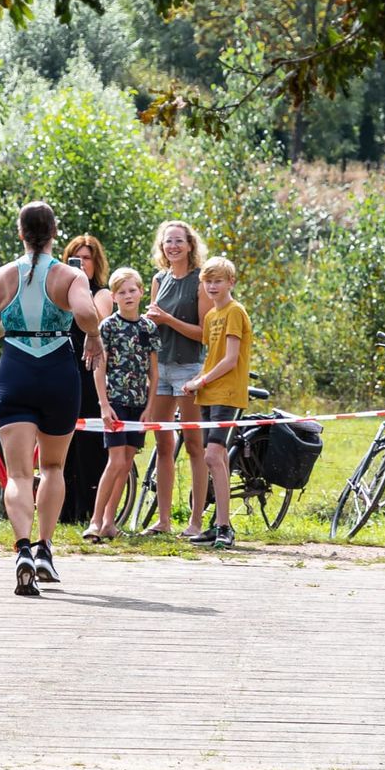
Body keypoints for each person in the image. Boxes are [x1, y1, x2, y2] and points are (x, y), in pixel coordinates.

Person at [0, 201, 105, 596]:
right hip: (57, 373)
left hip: (16, 370)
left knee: (16, 474)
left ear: (20, 233)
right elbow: (86, 314)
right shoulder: (70, 274)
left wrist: (14, 328)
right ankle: (46, 548)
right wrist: (94, 337)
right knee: (52, 467)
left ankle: (22, 548)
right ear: (54, 233)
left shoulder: (2, 276)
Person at [142, 220, 211, 536]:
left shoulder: (200, 282)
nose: (173, 246)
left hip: (188, 369)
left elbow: (204, 333)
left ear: (190, 245)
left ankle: (196, 522)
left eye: (179, 241)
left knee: (195, 445)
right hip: (162, 369)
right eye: (168, 241)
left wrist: (167, 319)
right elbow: (154, 327)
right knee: (163, 444)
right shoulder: (159, 280)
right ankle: (164, 520)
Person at [181, 256, 251, 549]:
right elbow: (211, 358)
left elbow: (230, 359)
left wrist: (202, 380)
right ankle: (221, 524)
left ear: (230, 282)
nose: (212, 286)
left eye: (218, 281)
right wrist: (195, 381)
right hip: (209, 394)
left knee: (211, 455)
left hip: (228, 392)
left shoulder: (235, 311)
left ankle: (224, 526)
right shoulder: (210, 316)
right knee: (218, 458)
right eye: (208, 281)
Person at [87, 267, 159, 541]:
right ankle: (95, 520)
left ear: (141, 292)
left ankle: (109, 521)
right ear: (114, 297)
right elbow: (99, 368)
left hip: (139, 405)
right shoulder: (108, 326)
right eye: (121, 292)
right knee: (115, 461)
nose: (128, 296)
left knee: (127, 462)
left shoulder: (149, 328)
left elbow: (154, 372)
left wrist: (150, 408)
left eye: (132, 290)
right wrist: (104, 405)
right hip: (115, 402)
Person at [60, 232, 117, 524]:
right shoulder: (59, 292)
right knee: (62, 443)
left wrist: (80, 291)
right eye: (76, 259)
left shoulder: (102, 293)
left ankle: (89, 510)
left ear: (96, 263)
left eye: (86, 259)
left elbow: (99, 321)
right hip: (61, 369)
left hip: (89, 370)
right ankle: (64, 511)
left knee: (89, 445)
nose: (81, 264)